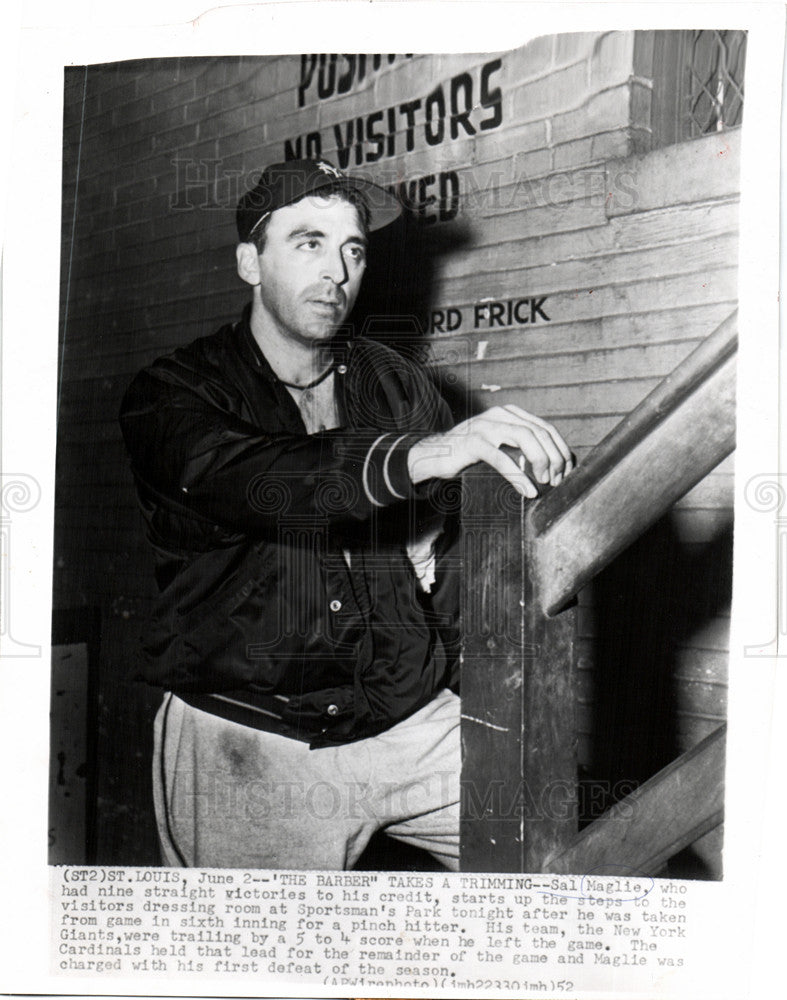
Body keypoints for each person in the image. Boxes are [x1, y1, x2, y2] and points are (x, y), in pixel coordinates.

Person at [120, 157, 572, 870]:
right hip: (253, 733)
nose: (336, 270)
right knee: (259, 971)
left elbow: (448, 549)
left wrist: (467, 674)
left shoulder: (393, 385)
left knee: (557, 855)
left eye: (352, 249)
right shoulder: (173, 391)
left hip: (404, 717)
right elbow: (255, 478)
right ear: (249, 262)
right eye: (308, 243)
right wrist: (415, 456)